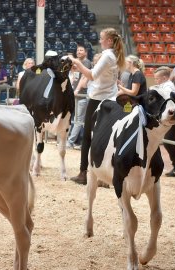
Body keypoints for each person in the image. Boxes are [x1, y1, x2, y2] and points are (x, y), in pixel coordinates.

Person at [69, 27, 125, 185]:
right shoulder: (115, 55)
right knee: (106, 137)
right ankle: (105, 177)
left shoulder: (107, 55)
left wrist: (78, 63)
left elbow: (92, 75)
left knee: (87, 137)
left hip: (97, 100)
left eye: (101, 38)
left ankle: (83, 173)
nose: (99, 41)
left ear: (108, 41)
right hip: (111, 99)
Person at [152, 66, 175, 177]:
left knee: (168, 141)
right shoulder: (165, 85)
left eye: (157, 78)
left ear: (164, 77)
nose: (156, 80)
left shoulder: (168, 87)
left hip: (174, 116)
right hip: (174, 115)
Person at [67, 44, 92, 149]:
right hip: (75, 94)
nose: (79, 52)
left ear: (86, 52)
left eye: (81, 50)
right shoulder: (78, 62)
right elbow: (75, 77)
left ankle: (70, 141)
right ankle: (78, 141)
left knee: (78, 119)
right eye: (77, 50)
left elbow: (84, 78)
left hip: (81, 94)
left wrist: (76, 89)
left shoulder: (86, 62)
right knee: (77, 119)